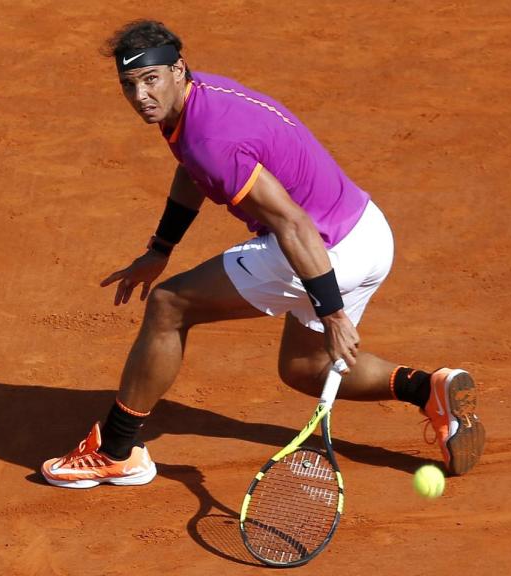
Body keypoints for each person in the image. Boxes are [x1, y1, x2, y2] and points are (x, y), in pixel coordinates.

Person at [40, 20, 485, 489]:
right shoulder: (199, 99)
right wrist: (160, 248)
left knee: (170, 305)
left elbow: (292, 223)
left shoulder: (210, 140)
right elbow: (192, 169)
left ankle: (116, 450)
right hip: (370, 230)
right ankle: (427, 388)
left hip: (325, 247)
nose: (140, 96)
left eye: (150, 80)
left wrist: (333, 316)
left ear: (177, 69)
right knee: (304, 369)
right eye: (128, 85)